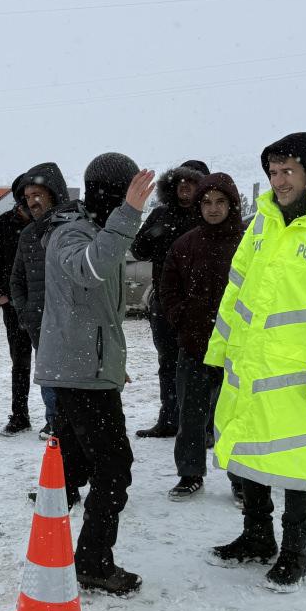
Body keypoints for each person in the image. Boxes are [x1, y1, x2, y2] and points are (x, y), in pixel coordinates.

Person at [204, 133, 306, 589]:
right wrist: (220, 351)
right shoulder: (263, 224)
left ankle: (295, 552)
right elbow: (236, 289)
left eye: (288, 171)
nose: (279, 181)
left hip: (302, 375)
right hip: (252, 366)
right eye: (273, 173)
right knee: (250, 450)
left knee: (299, 464)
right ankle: (257, 537)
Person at [36, 153, 156, 596]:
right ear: (108, 193)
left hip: (89, 369)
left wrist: (112, 367)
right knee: (114, 467)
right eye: (122, 193)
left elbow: (103, 312)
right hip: (77, 374)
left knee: (81, 461)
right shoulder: (72, 234)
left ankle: (64, 544)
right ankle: (92, 562)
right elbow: (90, 270)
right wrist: (129, 214)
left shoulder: (97, 231)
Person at [156, 172, 245, 500]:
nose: (213, 208)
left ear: (232, 204)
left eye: (220, 202)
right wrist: (181, 317)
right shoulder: (186, 243)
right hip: (194, 344)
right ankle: (190, 473)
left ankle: (241, 478)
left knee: (235, 416)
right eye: (206, 202)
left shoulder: (248, 242)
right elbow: (168, 287)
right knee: (190, 414)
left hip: (237, 347)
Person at [130, 160, 209, 439]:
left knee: (204, 364)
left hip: (203, 304)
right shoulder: (160, 214)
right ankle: (169, 419)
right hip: (165, 302)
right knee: (168, 362)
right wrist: (154, 233)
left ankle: (204, 426)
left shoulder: (209, 215)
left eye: (192, 182)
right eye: (180, 182)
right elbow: (138, 250)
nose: (185, 187)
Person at [9, 162, 69, 440]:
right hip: (39, 321)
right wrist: (26, 312)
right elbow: (16, 281)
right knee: (47, 375)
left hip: (70, 322)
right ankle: (53, 420)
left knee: (71, 375)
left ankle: (70, 421)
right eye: (29, 197)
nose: (32, 202)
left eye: (38, 195)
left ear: (54, 195)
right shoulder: (28, 235)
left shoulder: (72, 231)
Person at [0, 177, 35, 436]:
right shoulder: (4, 224)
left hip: (44, 303)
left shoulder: (47, 222)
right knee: (20, 361)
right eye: (26, 198)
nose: (32, 203)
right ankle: (20, 415)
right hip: (14, 305)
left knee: (53, 363)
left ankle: (57, 418)